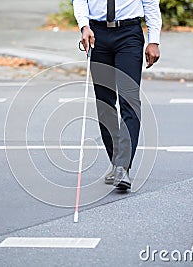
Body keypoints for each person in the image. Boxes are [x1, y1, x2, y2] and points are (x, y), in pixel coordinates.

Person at [73, 0, 162, 191]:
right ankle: (116, 162)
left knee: (130, 101)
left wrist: (154, 40)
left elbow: (151, 3)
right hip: (97, 34)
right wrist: (84, 26)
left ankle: (123, 167)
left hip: (129, 34)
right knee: (104, 103)